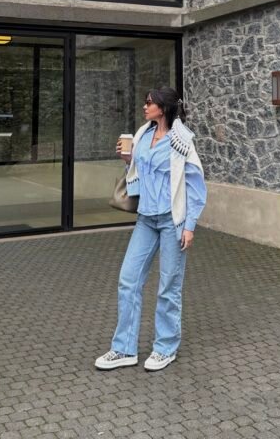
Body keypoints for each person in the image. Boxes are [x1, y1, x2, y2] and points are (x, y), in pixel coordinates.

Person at [95, 86, 206, 372]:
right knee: (128, 280)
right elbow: (139, 170)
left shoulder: (181, 140)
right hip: (146, 219)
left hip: (172, 221)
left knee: (169, 287)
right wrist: (127, 160)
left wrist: (189, 226)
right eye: (145, 102)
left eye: (149, 102)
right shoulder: (143, 135)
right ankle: (124, 349)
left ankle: (165, 348)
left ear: (164, 107)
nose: (145, 107)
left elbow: (195, 186)